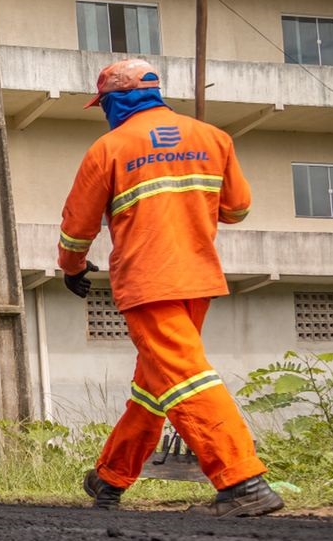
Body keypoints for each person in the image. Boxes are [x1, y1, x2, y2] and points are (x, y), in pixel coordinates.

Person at [59, 58, 281, 517]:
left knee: (185, 378)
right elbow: (237, 209)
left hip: (147, 280)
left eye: (103, 105)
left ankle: (243, 480)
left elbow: (77, 228)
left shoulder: (110, 147)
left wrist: (71, 267)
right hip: (198, 277)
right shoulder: (213, 137)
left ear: (114, 102)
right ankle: (111, 476)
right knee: (155, 385)